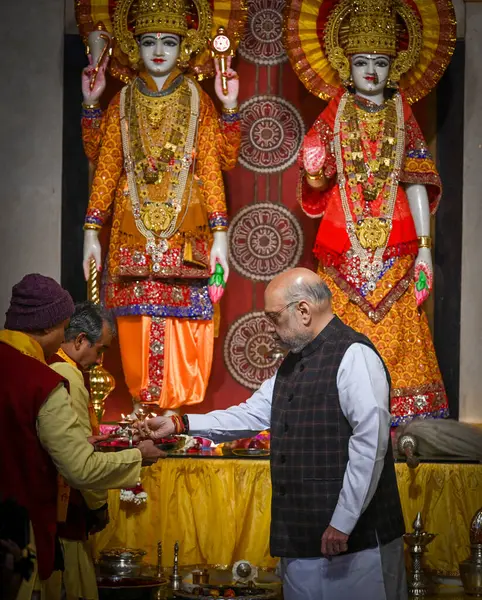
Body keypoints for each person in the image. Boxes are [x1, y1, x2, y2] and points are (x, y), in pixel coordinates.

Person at [139, 267, 407, 600]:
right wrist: (181, 424)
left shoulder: (354, 355)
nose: (270, 327)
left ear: (304, 311)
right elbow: (251, 413)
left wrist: (344, 520)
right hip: (299, 536)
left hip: (355, 544)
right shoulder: (293, 363)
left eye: (274, 317)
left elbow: (371, 444)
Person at [289, 0, 451, 424]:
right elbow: (318, 176)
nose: (372, 72)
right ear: (347, 64)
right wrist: (314, 167)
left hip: (396, 241)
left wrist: (425, 249)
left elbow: (416, 180)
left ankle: (403, 419)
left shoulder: (402, 112)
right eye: (362, 62)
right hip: (345, 240)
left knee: (400, 328)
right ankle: (338, 411)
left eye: (380, 62)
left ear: (394, 65)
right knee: (339, 326)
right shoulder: (336, 110)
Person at [81, 0, 241, 414]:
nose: (158, 51)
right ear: (134, 47)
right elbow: (105, 166)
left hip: (187, 231)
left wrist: (222, 234)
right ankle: (142, 408)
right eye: (149, 41)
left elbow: (214, 166)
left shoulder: (196, 100)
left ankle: (175, 414)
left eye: (168, 42)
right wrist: (91, 232)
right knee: (137, 325)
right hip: (133, 230)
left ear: (184, 47)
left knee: (188, 326)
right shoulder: (123, 102)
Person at [0, 274, 164, 600]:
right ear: (48, 327)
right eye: (63, 327)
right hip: (22, 534)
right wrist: (139, 456)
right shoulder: (41, 381)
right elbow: (78, 469)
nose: (64, 336)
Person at [47, 301, 117, 600]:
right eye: (100, 350)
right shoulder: (69, 376)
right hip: (67, 503)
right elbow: (77, 453)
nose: (99, 360)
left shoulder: (49, 363)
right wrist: (98, 505)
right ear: (79, 340)